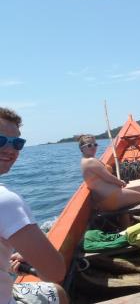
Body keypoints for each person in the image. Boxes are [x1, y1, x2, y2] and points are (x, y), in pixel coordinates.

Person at [0, 107, 68, 304]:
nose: (11, 149)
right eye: (1, 140)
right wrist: (32, 261)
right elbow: (54, 271)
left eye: (17, 143)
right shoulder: (6, 201)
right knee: (57, 291)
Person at [79, 134, 140, 212]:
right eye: (89, 145)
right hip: (112, 198)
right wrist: (121, 183)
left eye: (95, 144)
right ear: (82, 148)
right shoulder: (91, 161)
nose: (93, 147)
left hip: (105, 201)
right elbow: (108, 177)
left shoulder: (84, 161)